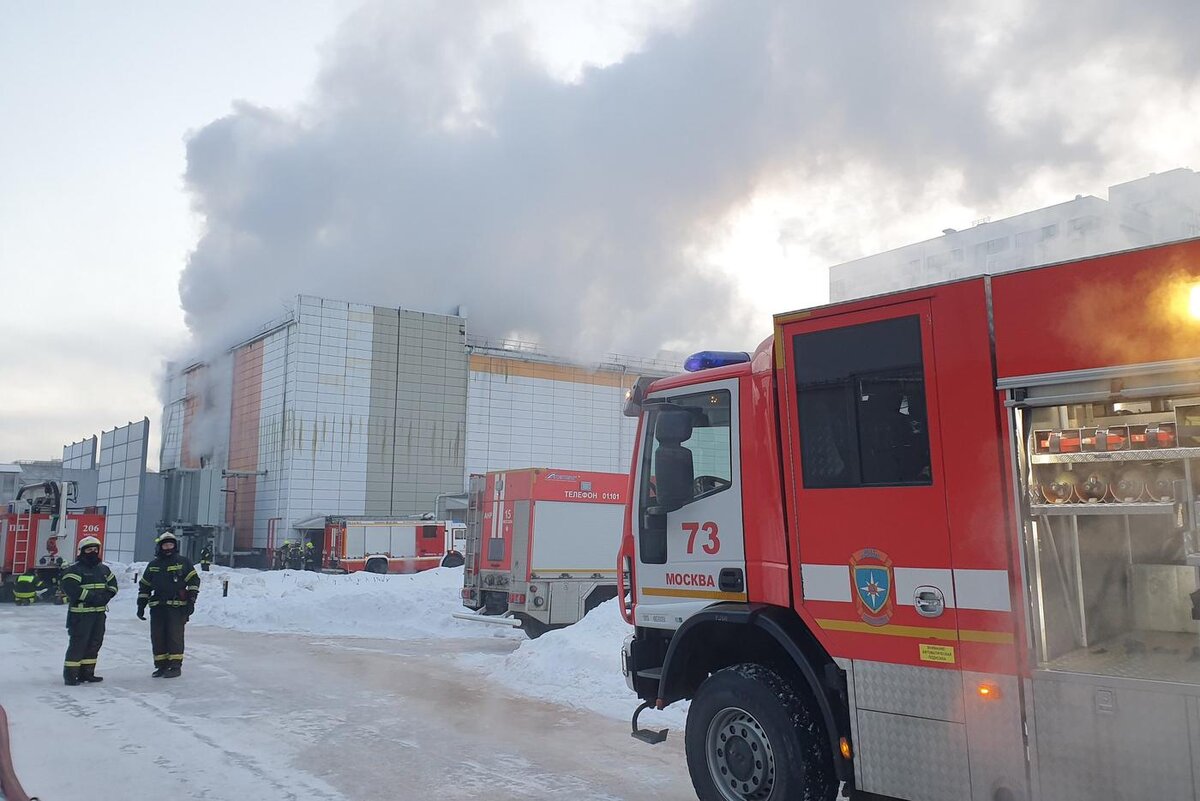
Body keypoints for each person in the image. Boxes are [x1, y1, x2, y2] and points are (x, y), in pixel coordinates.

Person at [136, 532, 200, 678]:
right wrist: (141, 605)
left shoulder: (183, 562)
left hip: (177, 607)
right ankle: (161, 666)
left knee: (174, 637)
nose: (168, 547)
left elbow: (194, 581)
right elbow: (144, 586)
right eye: (165, 545)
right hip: (158, 607)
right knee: (157, 637)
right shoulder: (153, 565)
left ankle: (175, 666)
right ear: (160, 547)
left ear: (175, 546)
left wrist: (191, 600)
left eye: (171, 544)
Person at [59, 536, 118, 685]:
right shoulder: (74, 569)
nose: (93, 552)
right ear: (82, 551)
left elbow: (113, 584)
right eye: (89, 549)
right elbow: (70, 588)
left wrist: (107, 596)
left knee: (94, 643)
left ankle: (87, 673)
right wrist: (92, 597)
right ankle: (71, 675)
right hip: (81, 615)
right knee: (79, 643)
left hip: (99, 614)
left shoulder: (104, 569)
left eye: (95, 549)